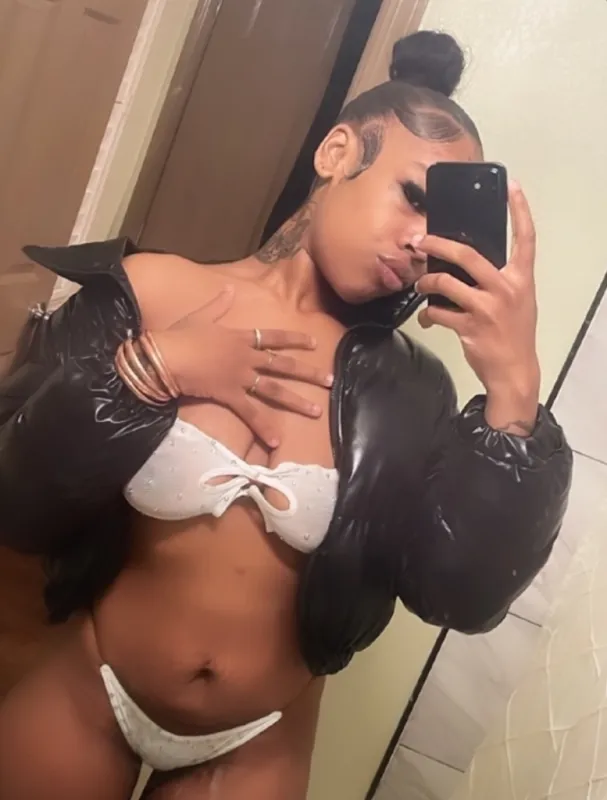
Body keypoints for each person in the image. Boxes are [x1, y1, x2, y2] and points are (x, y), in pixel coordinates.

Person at [0, 31, 571, 800]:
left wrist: (514, 396)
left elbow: (457, 599)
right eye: (411, 197)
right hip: (89, 691)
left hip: (259, 740)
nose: (418, 242)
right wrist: (156, 368)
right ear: (336, 153)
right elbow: (15, 498)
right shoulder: (151, 291)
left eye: (438, 227)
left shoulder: (413, 392)